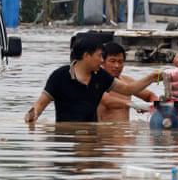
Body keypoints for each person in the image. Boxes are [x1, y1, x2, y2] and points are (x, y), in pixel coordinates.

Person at [24, 37, 159, 123]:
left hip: (93, 135)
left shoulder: (100, 76)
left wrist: (151, 78)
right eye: (100, 56)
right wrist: (32, 116)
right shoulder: (59, 76)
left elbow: (128, 89)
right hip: (65, 137)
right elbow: (40, 104)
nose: (101, 60)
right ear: (86, 56)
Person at [97, 42, 159, 122]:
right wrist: (135, 105)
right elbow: (108, 101)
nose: (117, 66)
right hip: (105, 133)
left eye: (120, 62)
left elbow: (149, 95)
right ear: (103, 62)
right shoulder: (96, 81)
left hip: (126, 132)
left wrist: (154, 106)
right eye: (112, 61)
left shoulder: (127, 81)